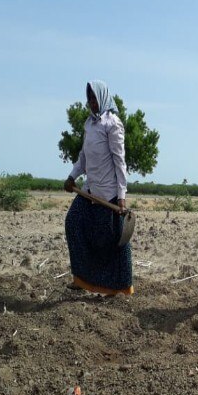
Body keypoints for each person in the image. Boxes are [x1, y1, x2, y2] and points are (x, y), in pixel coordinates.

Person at [63, 80, 133, 296]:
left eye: (95, 98)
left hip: (109, 194)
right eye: (89, 99)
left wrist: (121, 195)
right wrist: (72, 176)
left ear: (103, 98)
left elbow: (120, 161)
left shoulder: (113, 124)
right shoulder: (89, 124)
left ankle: (119, 286)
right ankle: (81, 278)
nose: (92, 103)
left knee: (111, 240)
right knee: (73, 223)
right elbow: (83, 157)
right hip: (89, 190)